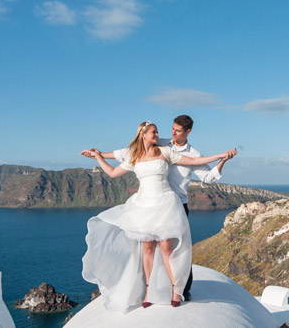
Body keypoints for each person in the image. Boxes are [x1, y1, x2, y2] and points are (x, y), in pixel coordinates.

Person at [80, 121, 232, 312]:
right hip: (144, 204)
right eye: (153, 132)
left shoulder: (165, 152)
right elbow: (111, 172)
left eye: (157, 131)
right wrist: (97, 156)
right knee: (148, 248)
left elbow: (193, 162)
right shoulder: (133, 155)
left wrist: (221, 156)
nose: (157, 134)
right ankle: (148, 292)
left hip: (165, 203)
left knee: (167, 247)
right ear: (143, 134)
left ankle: (177, 290)